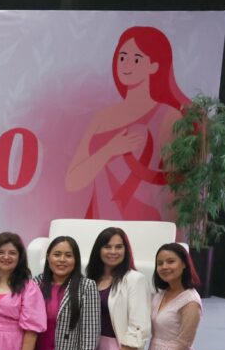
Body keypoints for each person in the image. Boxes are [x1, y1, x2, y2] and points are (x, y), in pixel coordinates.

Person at [65, 26, 188, 221]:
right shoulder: (101, 117)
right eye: (122, 58)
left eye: (136, 59)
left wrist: (174, 233)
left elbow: (175, 184)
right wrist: (109, 150)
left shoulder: (167, 115)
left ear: (154, 66)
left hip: (143, 220)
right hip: (98, 221)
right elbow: (73, 181)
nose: (126, 65)